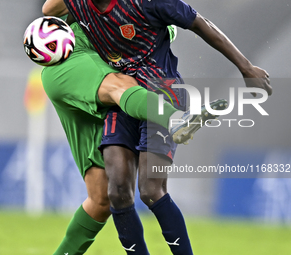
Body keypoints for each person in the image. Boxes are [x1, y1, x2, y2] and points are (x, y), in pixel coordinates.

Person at [42, 1, 272, 255]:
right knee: (117, 191)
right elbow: (47, 10)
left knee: (150, 190)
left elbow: (200, 23)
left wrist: (245, 67)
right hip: (124, 105)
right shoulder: (78, 4)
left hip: (163, 91)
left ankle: (176, 119)